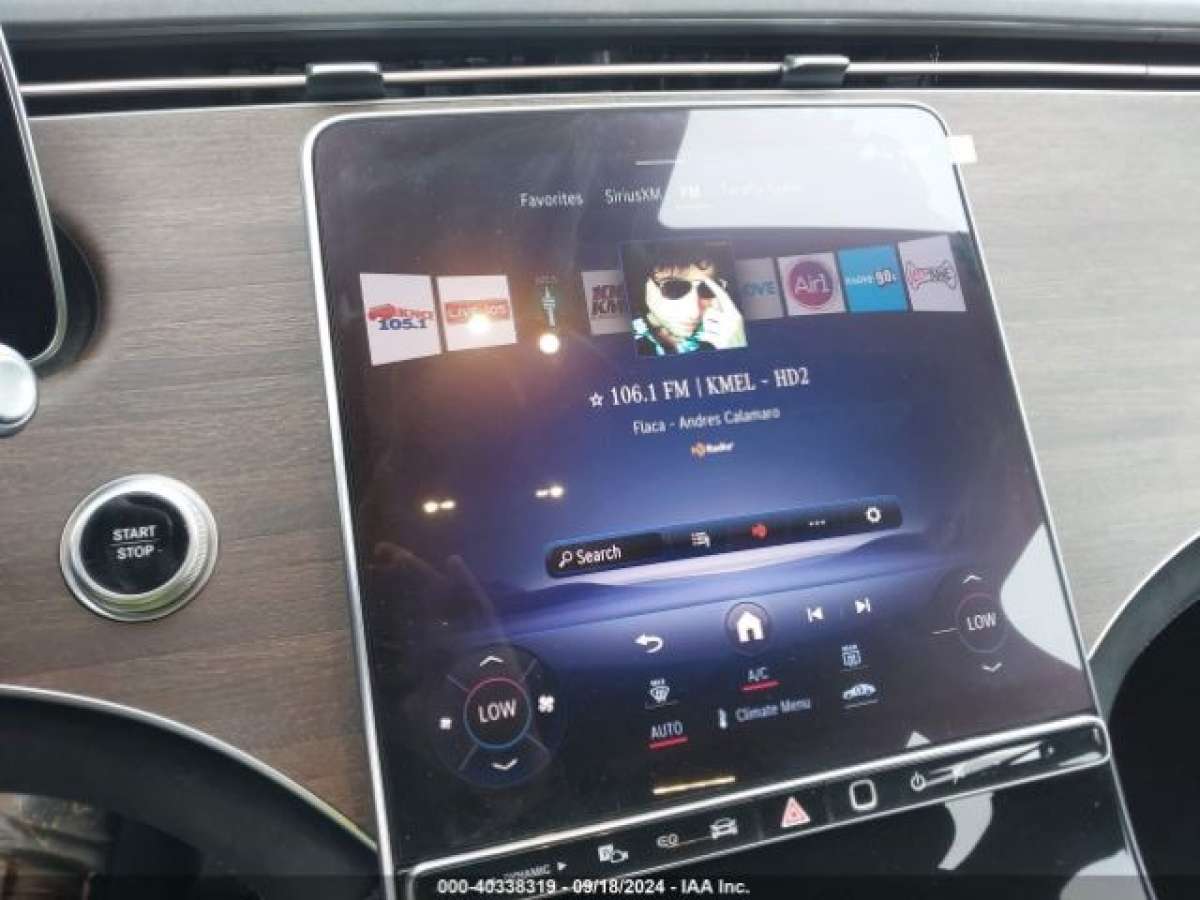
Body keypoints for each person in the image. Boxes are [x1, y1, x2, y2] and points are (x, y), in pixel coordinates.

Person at [631, 253, 746, 355]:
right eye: (674, 288)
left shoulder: (731, 331)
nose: (695, 313)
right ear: (643, 285)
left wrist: (737, 352)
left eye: (706, 289)